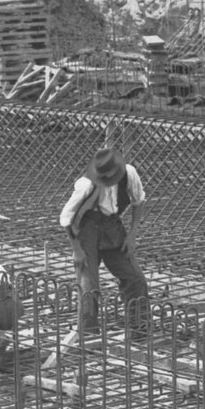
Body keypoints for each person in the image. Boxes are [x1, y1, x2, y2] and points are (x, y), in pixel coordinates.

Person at [53, 146, 151, 356]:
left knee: (135, 278)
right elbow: (66, 218)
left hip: (112, 226)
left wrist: (132, 235)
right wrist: (77, 249)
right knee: (89, 285)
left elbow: (138, 201)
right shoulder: (86, 185)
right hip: (87, 229)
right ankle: (88, 336)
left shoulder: (129, 174)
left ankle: (138, 329)